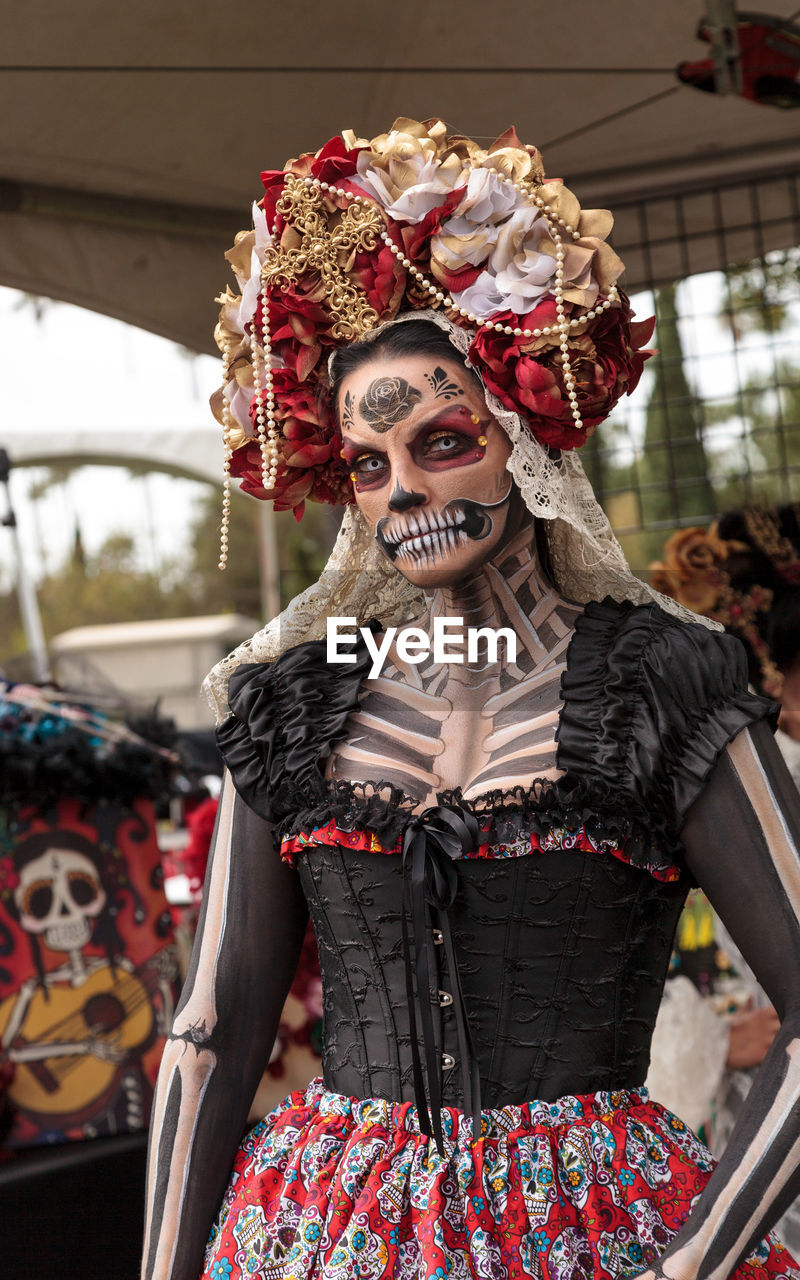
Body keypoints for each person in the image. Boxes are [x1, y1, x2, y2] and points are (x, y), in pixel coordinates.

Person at [142, 118, 800, 1280]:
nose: (404, 491)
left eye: (442, 441)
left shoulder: (659, 684)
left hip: (598, 1239)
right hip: (318, 1236)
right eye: (366, 463)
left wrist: (690, 1263)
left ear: (524, 437)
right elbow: (212, 1030)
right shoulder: (295, 700)